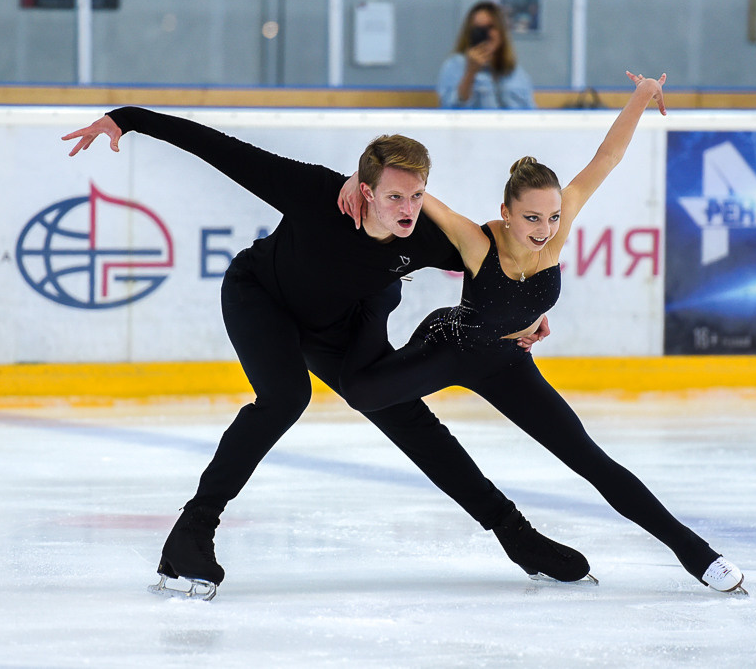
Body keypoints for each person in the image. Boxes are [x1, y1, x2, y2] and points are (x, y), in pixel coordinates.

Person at [61, 108, 594, 600]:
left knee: (405, 414)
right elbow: (222, 149)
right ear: (364, 190)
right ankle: (192, 531)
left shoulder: (425, 237)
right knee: (285, 396)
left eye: (416, 196)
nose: (407, 210)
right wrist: (128, 119)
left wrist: (527, 315)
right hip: (261, 296)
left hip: (338, 327)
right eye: (394, 197)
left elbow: (501, 270)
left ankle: (516, 534)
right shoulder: (315, 192)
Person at [337, 72, 747, 594]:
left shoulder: (556, 230)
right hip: (451, 345)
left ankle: (698, 555)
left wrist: (642, 95)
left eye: (552, 216)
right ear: (505, 214)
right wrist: (354, 178)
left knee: (590, 459)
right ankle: (372, 305)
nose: (545, 229)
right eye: (531, 217)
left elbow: (607, 158)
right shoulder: (476, 241)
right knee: (362, 392)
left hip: (507, 361)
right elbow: (403, 191)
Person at [437, 0, 536, 109]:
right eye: (478, 29)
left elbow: (529, 112)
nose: (485, 34)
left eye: (490, 27)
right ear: (469, 33)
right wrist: (470, 73)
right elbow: (449, 110)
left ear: (501, 32)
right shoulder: (455, 65)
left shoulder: (515, 72)